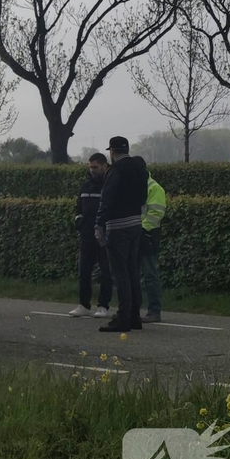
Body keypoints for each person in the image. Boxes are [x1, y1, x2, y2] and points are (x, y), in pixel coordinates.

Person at [95, 136, 149, 333]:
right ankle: (135, 316)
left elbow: (107, 197)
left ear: (112, 152)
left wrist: (99, 223)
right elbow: (144, 196)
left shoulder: (116, 170)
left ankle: (123, 318)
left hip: (118, 226)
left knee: (120, 274)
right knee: (133, 271)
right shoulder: (139, 167)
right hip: (136, 222)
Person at [69, 153, 113, 318]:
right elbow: (78, 208)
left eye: (95, 167)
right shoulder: (85, 186)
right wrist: (79, 221)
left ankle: (103, 305)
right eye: (90, 167)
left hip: (104, 236)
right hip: (87, 235)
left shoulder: (109, 185)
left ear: (104, 166)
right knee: (84, 271)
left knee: (105, 272)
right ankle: (84, 304)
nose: (92, 170)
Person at [134, 157, 166, 323]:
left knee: (149, 275)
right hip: (135, 234)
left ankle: (154, 310)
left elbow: (156, 213)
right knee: (133, 275)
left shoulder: (154, 187)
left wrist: (140, 229)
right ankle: (134, 309)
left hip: (147, 236)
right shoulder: (136, 186)